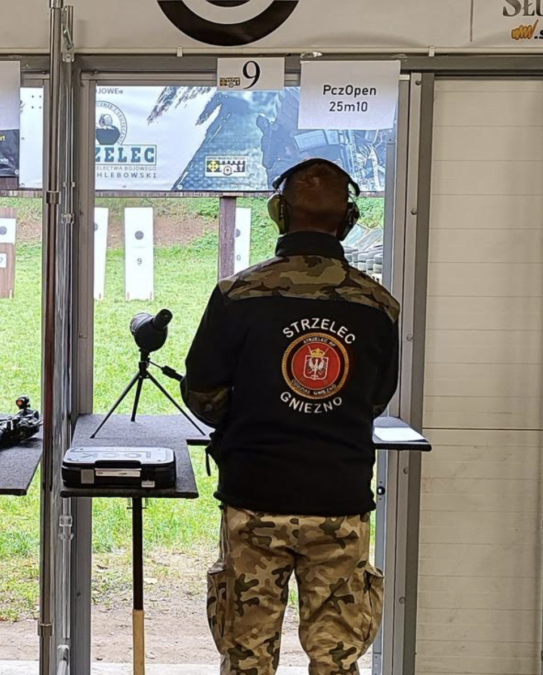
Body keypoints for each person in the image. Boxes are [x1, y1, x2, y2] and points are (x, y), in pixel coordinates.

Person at [182, 159, 400, 675]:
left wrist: (255, 411)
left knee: (247, 660)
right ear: (347, 220)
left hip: (255, 500)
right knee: (337, 662)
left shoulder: (237, 296)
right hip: (339, 503)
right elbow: (375, 400)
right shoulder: (377, 305)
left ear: (280, 213)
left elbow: (203, 395)